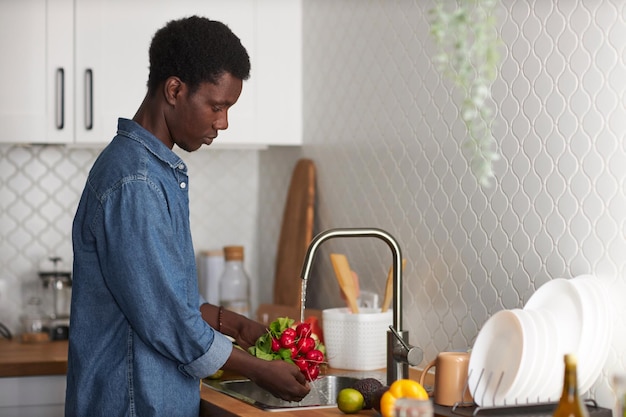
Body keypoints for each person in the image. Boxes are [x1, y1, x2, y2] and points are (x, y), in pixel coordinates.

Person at [65, 16, 310, 417]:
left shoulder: (153, 171)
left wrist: (236, 325)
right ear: (175, 90)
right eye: (217, 106)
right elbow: (169, 323)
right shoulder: (135, 182)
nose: (223, 122)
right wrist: (261, 371)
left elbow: (166, 297)